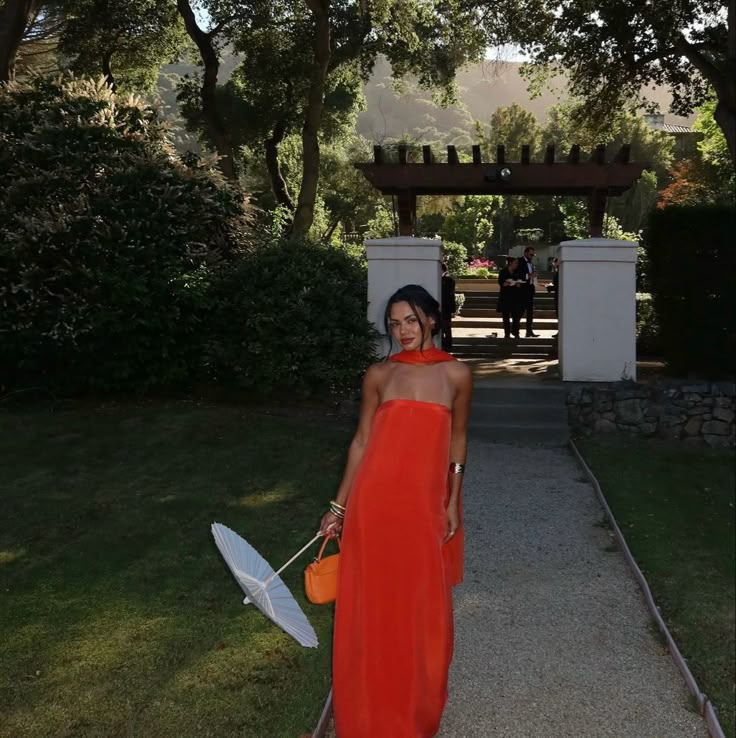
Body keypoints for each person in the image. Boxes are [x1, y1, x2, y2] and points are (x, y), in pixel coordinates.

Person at [320, 284, 473, 738]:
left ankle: (414, 714)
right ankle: (368, 717)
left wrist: (452, 500)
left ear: (430, 318)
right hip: (374, 505)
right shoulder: (380, 375)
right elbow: (362, 442)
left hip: (423, 505)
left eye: (410, 320)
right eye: (393, 323)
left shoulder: (456, 375)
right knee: (372, 611)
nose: (401, 330)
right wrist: (339, 507)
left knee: (421, 611)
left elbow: (459, 441)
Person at [496, 256, 523, 338]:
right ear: (510, 263)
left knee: (516, 316)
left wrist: (518, 284)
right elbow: (501, 282)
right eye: (515, 263)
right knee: (506, 316)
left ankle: (516, 332)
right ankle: (507, 333)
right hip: (505, 296)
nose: (517, 265)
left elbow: (520, 281)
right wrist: (507, 283)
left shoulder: (518, 271)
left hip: (516, 297)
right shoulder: (503, 271)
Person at [515, 246, 539, 337]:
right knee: (520, 311)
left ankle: (529, 331)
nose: (532, 256)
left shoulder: (531, 263)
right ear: (525, 253)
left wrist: (534, 279)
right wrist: (528, 275)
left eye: (533, 254)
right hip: (521, 291)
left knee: (530, 311)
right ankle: (515, 331)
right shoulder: (519, 261)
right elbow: (517, 273)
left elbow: (532, 275)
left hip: (530, 290)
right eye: (531, 254)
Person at [440, 262, 456, 352]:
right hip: (443, 306)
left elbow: (448, 294)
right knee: (443, 326)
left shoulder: (448, 280)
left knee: (446, 326)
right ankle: (444, 343)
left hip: (446, 306)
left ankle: (447, 344)